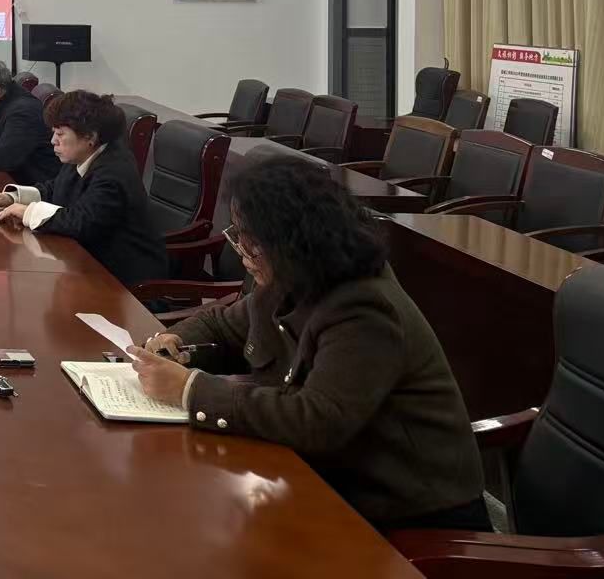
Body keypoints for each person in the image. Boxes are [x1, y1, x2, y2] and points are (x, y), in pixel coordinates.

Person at [125, 155, 486, 533]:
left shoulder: (364, 308)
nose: (241, 251)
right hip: (326, 478)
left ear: (293, 241)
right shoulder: (292, 277)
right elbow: (222, 324)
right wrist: (176, 341)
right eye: (239, 233)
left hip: (405, 513)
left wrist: (191, 390)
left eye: (252, 240)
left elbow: (318, 420)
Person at [0, 90, 167, 288]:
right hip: (89, 264)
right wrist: (13, 198)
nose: (53, 141)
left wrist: (28, 212)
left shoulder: (113, 171)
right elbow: (56, 188)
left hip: (126, 282)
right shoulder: (84, 154)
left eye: (60, 134)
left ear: (90, 136)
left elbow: (82, 222)